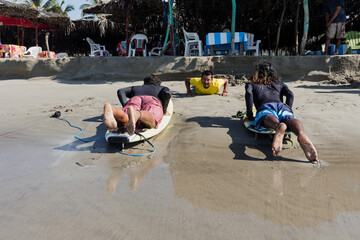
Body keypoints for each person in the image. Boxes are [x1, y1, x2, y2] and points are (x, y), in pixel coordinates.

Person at [245, 62, 318, 162]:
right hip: (282, 106)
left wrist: (249, 114)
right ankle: (300, 134)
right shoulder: (280, 84)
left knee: (266, 115)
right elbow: (290, 95)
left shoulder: (251, 84)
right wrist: (289, 109)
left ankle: (278, 126)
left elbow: (249, 94)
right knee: (289, 118)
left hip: (266, 106)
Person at [103, 74, 171, 136]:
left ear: (145, 83)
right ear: (158, 83)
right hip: (152, 100)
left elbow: (121, 91)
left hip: (135, 98)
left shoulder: (136, 87)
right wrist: (164, 111)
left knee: (126, 118)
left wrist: (125, 105)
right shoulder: (161, 88)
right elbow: (167, 94)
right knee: (152, 121)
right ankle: (137, 114)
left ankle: (112, 110)